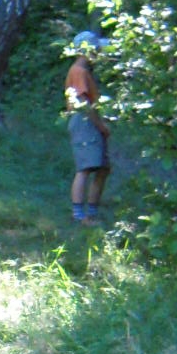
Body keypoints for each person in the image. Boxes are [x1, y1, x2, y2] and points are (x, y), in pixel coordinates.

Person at [65, 31, 111, 223]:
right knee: (85, 168)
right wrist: (100, 126)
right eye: (97, 50)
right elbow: (83, 104)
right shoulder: (79, 72)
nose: (99, 53)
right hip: (84, 121)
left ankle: (91, 213)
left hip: (88, 121)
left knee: (102, 168)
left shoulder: (82, 72)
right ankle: (79, 215)